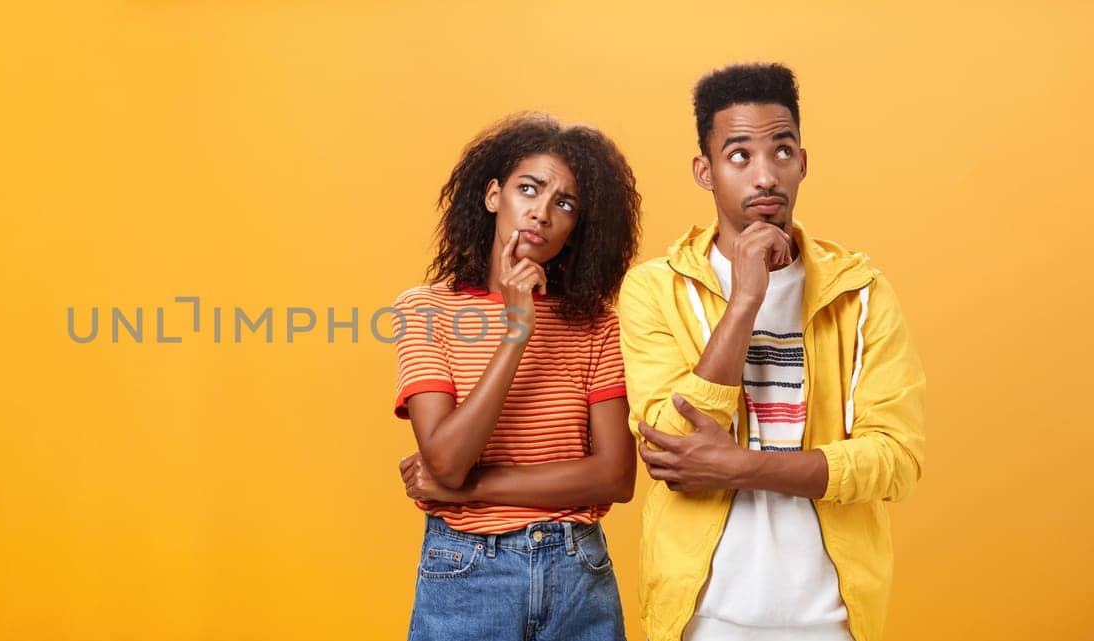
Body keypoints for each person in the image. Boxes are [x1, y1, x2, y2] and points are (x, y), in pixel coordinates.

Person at [618, 63, 927, 641]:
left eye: (782, 151)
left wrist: (741, 467)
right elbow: (670, 446)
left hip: (832, 618)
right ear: (704, 171)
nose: (765, 175)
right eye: (739, 156)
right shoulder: (654, 288)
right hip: (704, 615)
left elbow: (896, 459)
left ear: (803, 162)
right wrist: (745, 301)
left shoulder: (860, 293)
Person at [390, 111, 641, 641]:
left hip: (579, 574)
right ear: (492, 196)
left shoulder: (596, 325)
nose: (542, 213)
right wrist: (516, 330)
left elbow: (616, 477)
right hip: (466, 575)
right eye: (529, 188)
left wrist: (467, 492)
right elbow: (446, 460)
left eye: (564, 203)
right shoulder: (424, 310)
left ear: (577, 229)